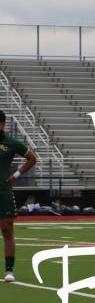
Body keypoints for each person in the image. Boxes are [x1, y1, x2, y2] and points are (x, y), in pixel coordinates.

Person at [0, 111, 37, 282]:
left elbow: (32, 158)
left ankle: (9, 270)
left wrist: (16, 175)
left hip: (3, 191)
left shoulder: (11, 143)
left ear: (2, 124)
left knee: (7, 229)